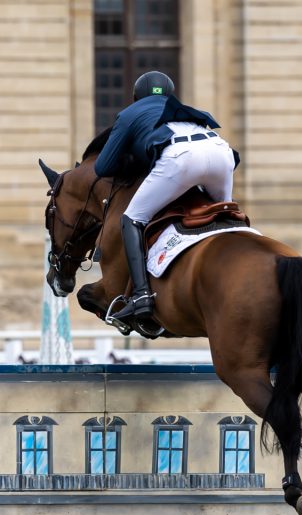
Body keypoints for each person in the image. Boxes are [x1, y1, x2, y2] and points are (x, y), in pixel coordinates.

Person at [94, 71, 237, 327]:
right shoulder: (183, 111)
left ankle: (141, 296)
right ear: (170, 94)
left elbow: (103, 167)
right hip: (220, 151)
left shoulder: (129, 113)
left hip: (180, 157)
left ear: (135, 97)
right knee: (226, 215)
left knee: (132, 219)